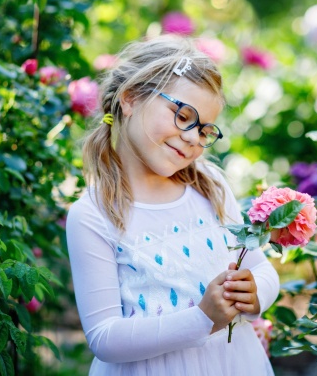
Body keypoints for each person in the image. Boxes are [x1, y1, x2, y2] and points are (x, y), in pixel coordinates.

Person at [66, 35, 280, 376]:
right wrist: (202, 319)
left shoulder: (210, 187)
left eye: (205, 130)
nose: (194, 137)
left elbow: (261, 269)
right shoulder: (94, 214)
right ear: (131, 99)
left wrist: (256, 293)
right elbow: (105, 337)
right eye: (183, 116)